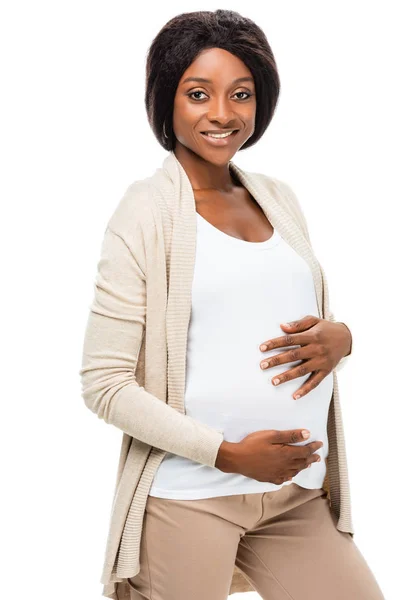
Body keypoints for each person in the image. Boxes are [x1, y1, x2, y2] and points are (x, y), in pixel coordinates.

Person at [79, 9, 385, 600]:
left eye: (240, 94)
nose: (222, 114)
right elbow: (104, 384)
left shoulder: (278, 198)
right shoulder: (145, 213)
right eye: (199, 94)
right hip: (189, 497)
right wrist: (226, 454)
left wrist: (343, 338)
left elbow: (287, 329)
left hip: (297, 496)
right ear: (166, 99)